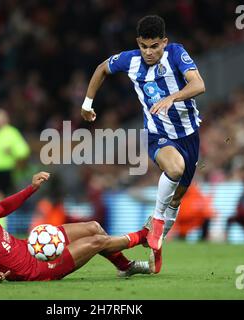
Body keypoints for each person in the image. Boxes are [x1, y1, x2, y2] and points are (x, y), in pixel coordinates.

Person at [81, 15, 206, 273]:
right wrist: (87, 103)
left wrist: (173, 97)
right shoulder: (130, 60)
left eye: (154, 46)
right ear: (138, 43)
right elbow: (102, 68)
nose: (149, 52)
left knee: (177, 198)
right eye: (144, 46)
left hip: (189, 134)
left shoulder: (176, 53)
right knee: (174, 168)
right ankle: (157, 222)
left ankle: (155, 245)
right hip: (157, 133)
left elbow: (198, 84)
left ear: (164, 42)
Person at [0, 171, 151, 284]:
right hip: (41, 269)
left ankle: (125, 267)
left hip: (34, 246)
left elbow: (6, 206)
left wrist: (31, 188)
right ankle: (143, 236)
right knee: (98, 242)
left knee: (93, 227)